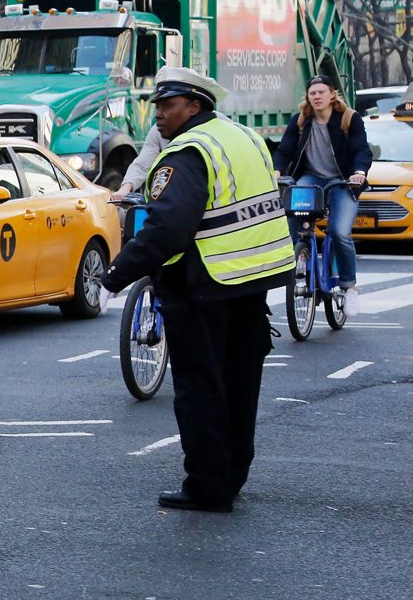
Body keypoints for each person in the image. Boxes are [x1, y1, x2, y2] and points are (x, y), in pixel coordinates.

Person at [101, 66, 295, 513]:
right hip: (253, 279)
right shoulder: (241, 137)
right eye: (157, 107)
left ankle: (208, 486)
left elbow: (168, 229)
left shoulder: (188, 152)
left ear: (195, 106)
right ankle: (232, 475)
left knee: (201, 389)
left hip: (205, 285)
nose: (159, 117)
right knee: (240, 385)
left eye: (168, 106)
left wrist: (115, 276)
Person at [272, 75, 371, 313]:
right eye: (312, 93)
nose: (316, 97)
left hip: (343, 181)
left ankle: (349, 288)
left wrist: (359, 172)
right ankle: (297, 261)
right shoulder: (301, 121)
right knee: (294, 218)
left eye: (321, 92)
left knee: (339, 232)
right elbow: (284, 150)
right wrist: (276, 170)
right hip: (311, 178)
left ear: (332, 95)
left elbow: (361, 149)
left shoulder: (349, 119)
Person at [110, 124, 167, 201]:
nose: (158, 115)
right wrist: (126, 187)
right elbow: (143, 164)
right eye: (158, 111)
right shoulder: (158, 129)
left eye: (166, 110)